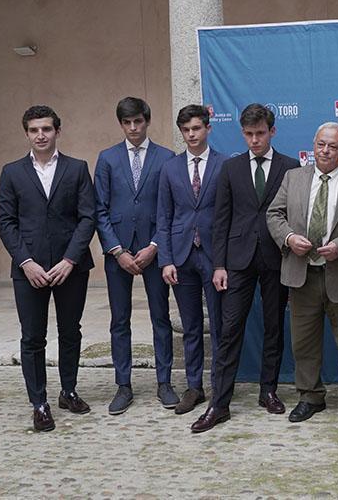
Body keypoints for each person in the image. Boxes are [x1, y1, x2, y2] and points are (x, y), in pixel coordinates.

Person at [190, 104, 299, 433]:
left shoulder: (290, 167)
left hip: (276, 259)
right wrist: (219, 264)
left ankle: (268, 390)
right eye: (249, 134)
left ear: (272, 132)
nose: (255, 140)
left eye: (260, 134)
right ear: (242, 133)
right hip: (236, 261)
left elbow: (293, 219)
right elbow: (220, 220)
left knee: (273, 328)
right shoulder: (231, 168)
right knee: (229, 330)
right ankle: (219, 403)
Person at [267, 122, 338, 423]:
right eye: (321, 144)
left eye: (332, 146)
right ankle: (309, 396)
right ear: (313, 146)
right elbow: (274, 214)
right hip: (301, 273)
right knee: (303, 341)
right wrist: (290, 239)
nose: (325, 151)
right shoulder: (293, 178)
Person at [0, 105, 96, 431]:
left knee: (70, 332)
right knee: (33, 338)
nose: (41, 135)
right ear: (26, 133)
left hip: (71, 268)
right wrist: (26, 262)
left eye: (47, 129)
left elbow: (87, 217)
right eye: (35, 130)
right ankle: (38, 403)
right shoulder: (12, 172)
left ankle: (68, 391)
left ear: (57, 131)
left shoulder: (77, 168)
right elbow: (6, 222)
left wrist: (70, 259)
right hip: (29, 271)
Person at [94, 97, 176, 414]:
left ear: (147, 121)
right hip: (119, 252)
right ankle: (123, 385)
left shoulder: (166, 158)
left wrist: (155, 245)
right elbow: (99, 210)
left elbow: (169, 209)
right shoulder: (107, 159)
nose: (133, 128)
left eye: (138, 122)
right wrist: (116, 250)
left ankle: (164, 382)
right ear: (121, 124)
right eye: (127, 123)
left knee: (160, 318)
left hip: (154, 250)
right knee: (120, 320)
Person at [156, 104, 227, 414]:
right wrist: (166, 260)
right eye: (186, 130)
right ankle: (194, 386)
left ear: (208, 128)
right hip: (181, 257)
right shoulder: (170, 168)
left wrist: (224, 261)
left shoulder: (225, 165)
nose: (191, 135)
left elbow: (229, 216)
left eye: (196, 128)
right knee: (191, 326)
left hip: (214, 257)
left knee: (221, 325)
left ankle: (221, 386)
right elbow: (164, 216)